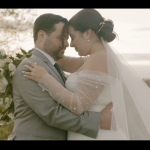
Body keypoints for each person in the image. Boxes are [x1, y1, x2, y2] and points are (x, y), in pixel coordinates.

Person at [22, 9, 150, 140]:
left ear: (87, 33)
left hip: (97, 135)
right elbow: (64, 61)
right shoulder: (97, 58)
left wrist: (44, 78)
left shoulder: (99, 58)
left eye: (72, 37)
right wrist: (37, 54)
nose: (71, 44)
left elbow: (78, 105)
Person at [8, 13, 112, 140]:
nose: (68, 44)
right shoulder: (30, 68)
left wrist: (45, 76)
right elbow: (53, 113)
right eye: (61, 38)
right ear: (41, 36)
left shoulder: (95, 59)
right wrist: (99, 120)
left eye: (69, 38)